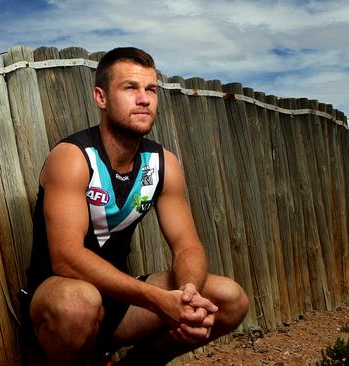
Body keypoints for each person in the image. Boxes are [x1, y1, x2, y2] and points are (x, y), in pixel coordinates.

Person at [22, 47, 249, 365]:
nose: (144, 99)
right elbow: (66, 259)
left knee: (229, 298)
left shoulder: (162, 164)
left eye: (151, 90)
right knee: (78, 303)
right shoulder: (72, 157)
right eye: (130, 88)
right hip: (59, 302)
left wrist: (187, 296)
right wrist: (158, 300)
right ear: (101, 98)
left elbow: (187, 246)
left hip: (120, 299)